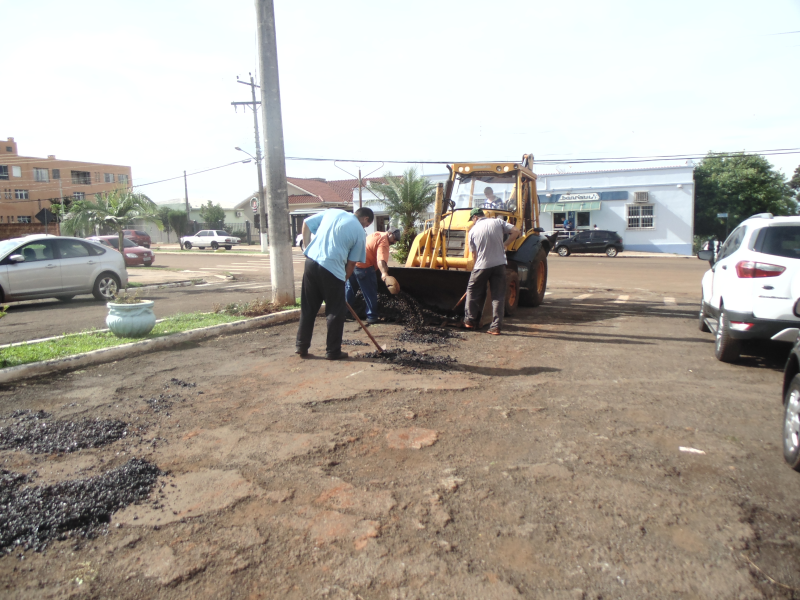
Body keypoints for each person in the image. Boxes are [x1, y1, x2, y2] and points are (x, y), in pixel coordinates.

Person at [295, 207, 373, 360]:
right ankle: (333, 351)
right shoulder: (359, 232)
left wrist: (306, 248)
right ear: (365, 219)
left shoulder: (332, 212)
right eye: (367, 224)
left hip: (311, 262)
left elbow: (306, 223)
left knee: (308, 307)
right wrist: (341, 281)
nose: (365, 227)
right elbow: (351, 264)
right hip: (332, 269)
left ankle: (301, 346)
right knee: (336, 311)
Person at [464, 208, 520, 335]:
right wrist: (505, 244)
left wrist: (475, 271)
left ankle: (469, 320)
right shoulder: (498, 222)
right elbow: (516, 231)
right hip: (500, 265)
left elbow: (474, 255)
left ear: (475, 218)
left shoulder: (472, 231)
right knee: (498, 296)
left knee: (472, 291)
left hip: (481, 266)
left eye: (472, 220)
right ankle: (495, 327)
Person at [345, 228, 401, 324]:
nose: (394, 242)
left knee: (350, 290)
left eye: (396, 240)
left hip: (353, 264)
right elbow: (381, 260)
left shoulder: (376, 234)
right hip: (364, 267)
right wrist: (384, 273)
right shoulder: (384, 241)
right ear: (390, 233)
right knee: (370, 292)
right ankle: (372, 316)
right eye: (394, 239)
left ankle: (341, 313)